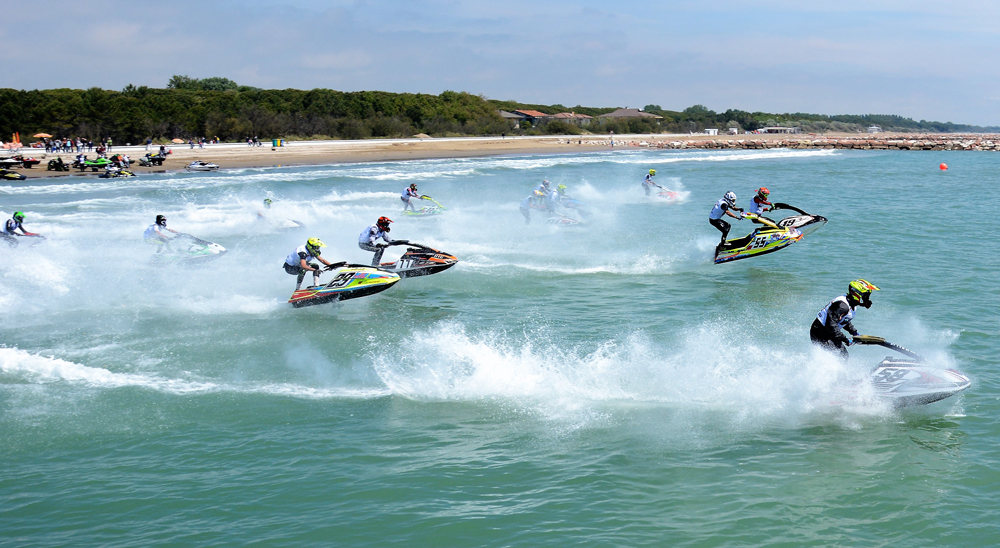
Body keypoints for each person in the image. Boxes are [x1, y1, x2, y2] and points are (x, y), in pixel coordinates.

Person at [810, 279, 880, 359]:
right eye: (865, 296)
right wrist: (845, 339)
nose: (867, 299)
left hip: (829, 332)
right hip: (819, 334)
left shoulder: (851, 305)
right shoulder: (842, 306)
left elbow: (844, 320)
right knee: (838, 356)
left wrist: (854, 332)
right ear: (856, 294)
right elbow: (831, 324)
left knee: (844, 356)